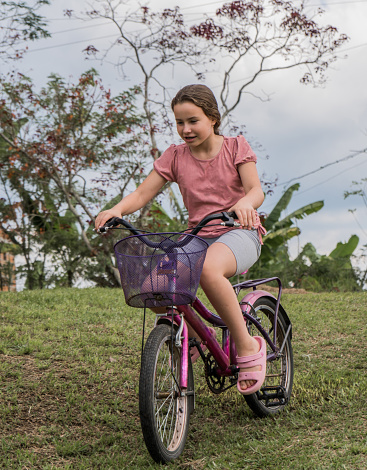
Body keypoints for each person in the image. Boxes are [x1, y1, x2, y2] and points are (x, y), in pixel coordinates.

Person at [95, 84, 266, 395]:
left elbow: (256, 190)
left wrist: (245, 203)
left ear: (213, 118)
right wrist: (117, 209)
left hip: (239, 232)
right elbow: (142, 193)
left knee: (209, 270)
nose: (185, 129)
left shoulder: (235, 147)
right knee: (154, 289)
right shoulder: (175, 156)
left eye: (193, 121)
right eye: (179, 122)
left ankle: (246, 344)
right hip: (198, 236)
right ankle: (199, 341)